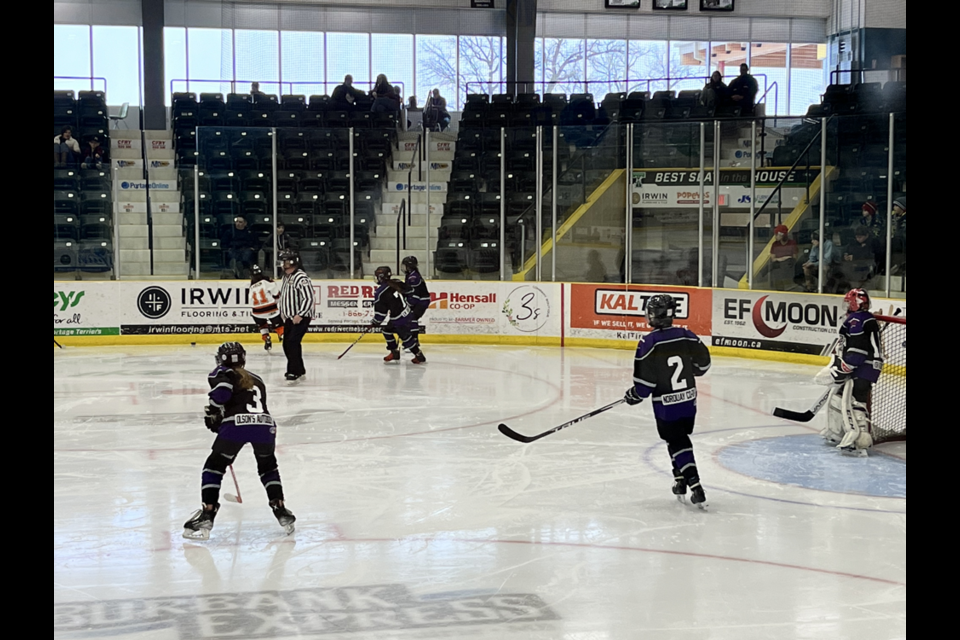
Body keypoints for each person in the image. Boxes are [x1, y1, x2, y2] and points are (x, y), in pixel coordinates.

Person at [182, 342, 296, 540]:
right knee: (268, 467)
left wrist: (214, 411)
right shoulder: (257, 378)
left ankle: (207, 513)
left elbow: (222, 393)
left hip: (236, 427)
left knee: (214, 467)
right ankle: (281, 510)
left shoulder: (222, 372)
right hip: (265, 426)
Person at [623, 295, 712, 509]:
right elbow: (704, 364)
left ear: (654, 315)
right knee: (677, 438)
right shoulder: (686, 335)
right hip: (689, 399)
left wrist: (634, 395)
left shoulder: (649, 342)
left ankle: (695, 484)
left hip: (666, 404)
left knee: (677, 441)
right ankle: (679, 481)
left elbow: (644, 385)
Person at [813, 289, 883, 456]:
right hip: (864, 365)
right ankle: (839, 432)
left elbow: (857, 352)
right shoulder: (863, 319)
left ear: (855, 303)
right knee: (840, 396)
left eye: (848, 302)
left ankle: (860, 441)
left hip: (864, 366)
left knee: (856, 401)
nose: (846, 305)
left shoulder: (857, 320)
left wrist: (842, 369)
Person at [372, 265, 426, 364]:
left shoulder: (380, 292)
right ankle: (394, 352)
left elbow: (381, 312)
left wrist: (375, 321)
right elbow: (410, 291)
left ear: (380, 277)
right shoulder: (396, 282)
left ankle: (419, 356)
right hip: (407, 312)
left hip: (399, 318)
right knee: (387, 330)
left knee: (405, 336)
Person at [278, 250, 315, 382]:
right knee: (287, 344)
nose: (282, 264)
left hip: (300, 317)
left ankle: (294, 370)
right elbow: (284, 296)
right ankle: (298, 368)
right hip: (289, 317)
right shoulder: (286, 277)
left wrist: (301, 314)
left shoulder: (301, 277)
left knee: (293, 342)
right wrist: (282, 312)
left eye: (285, 261)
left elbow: (308, 298)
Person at [250, 264, 284, 352]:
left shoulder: (251, 286)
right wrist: (276, 301)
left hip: (256, 311)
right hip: (270, 308)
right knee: (279, 325)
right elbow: (276, 293)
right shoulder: (266, 281)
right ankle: (282, 335)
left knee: (262, 325)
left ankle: (266, 337)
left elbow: (251, 301)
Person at [400, 256, 430, 337]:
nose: (403, 267)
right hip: (419, 300)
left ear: (409, 267)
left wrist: (410, 303)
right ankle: (413, 342)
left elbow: (415, 293)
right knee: (411, 318)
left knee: (411, 318)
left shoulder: (414, 277)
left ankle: (414, 341)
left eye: (404, 265)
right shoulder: (410, 275)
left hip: (422, 301)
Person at [769, 224, 799, 290]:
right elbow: (773, 259)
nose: (775, 236)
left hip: (788, 265)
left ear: (782, 235)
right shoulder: (775, 244)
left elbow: (794, 258)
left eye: (777, 234)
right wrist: (785, 258)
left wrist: (785, 259)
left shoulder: (792, 243)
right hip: (778, 265)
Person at [890, 197, 906, 275]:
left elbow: (902, 234)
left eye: (896, 206)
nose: (894, 208)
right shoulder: (894, 218)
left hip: (902, 248)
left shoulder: (904, 220)